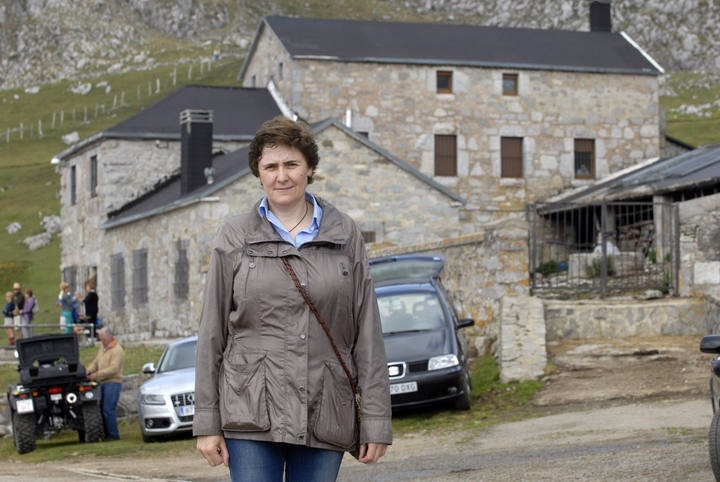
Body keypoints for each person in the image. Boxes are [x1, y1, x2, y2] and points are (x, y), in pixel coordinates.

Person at [193, 116, 392, 481]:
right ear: (258, 172)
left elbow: (367, 331)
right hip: (250, 409)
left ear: (310, 167)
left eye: (291, 164)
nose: (281, 176)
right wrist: (207, 422)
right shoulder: (235, 235)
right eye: (271, 166)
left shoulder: (344, 233)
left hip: (326, 407)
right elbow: (211, 333)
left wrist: (376, 418)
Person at [87, 326, 125, 441]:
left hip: (113, 382)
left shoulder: (117, 350)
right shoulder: (102, 348)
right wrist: (88, 371)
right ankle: (105, 434)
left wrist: (96, 374)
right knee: (102, 409)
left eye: (102, 335)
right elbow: (96, 362)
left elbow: (114, 369)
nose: (100, 338)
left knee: (108, 409)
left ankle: (113, 435)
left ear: (108, 336)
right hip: (102, 382)